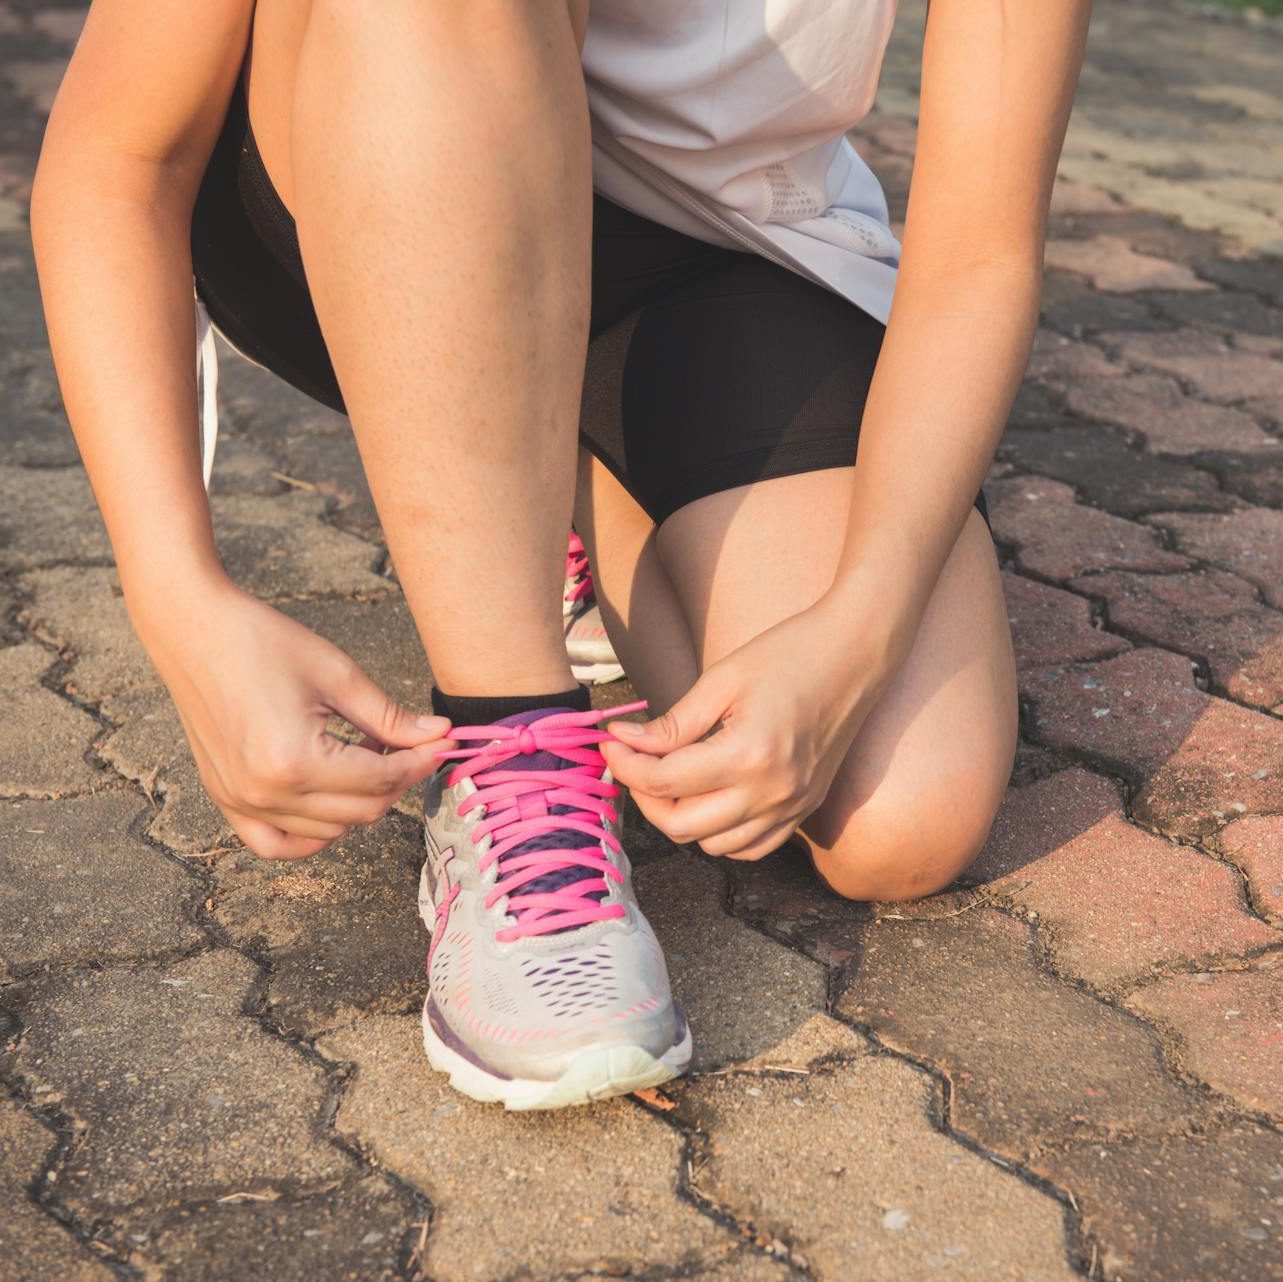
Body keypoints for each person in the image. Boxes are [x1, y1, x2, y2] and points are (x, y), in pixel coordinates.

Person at [30, 0, 1091, 1108]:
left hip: (715, 248)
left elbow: (978, 251)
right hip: (365, 147)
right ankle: (511, 746)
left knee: (895, 815)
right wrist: (177, 594)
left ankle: (536, 487)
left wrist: (857, 628)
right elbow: (117, 158)